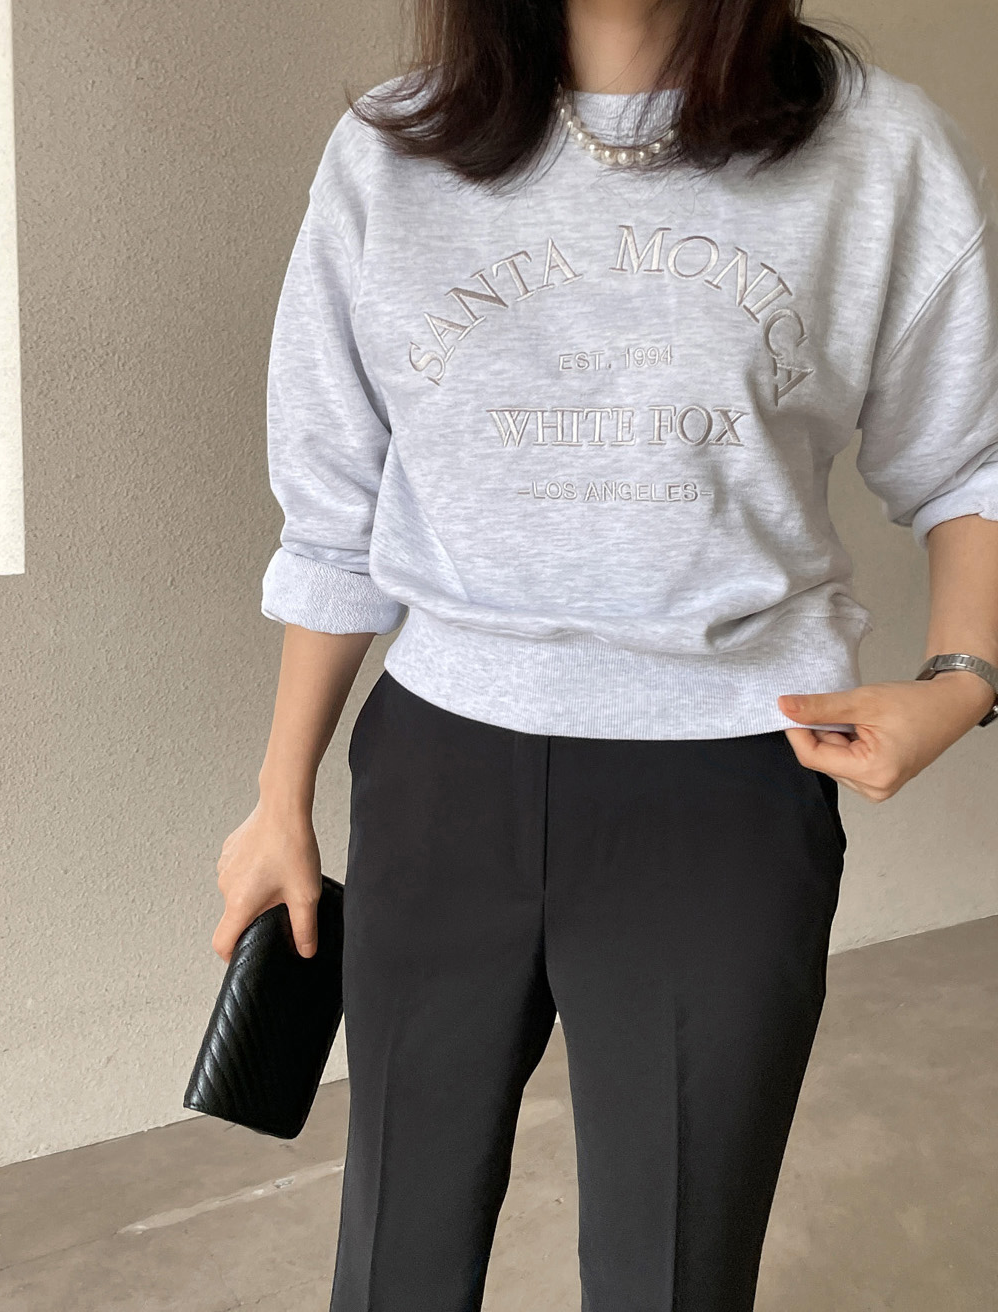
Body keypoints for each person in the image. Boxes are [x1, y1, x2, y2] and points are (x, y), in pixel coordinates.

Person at [213, 0, 998, 1307]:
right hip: (440, 776)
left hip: (726, 785)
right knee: (396, 1258)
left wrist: (961, 683)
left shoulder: (877, 151)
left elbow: (971, 460)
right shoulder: (390, 155)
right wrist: (278, 796)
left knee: (672, 1272)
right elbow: (337, 516)